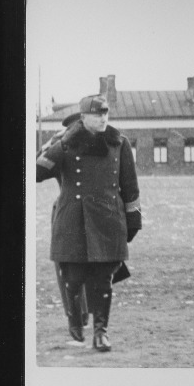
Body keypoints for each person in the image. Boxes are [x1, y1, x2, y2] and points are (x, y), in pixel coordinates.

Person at [35, 95, 142, 352]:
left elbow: (130, 185)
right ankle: (75, 320)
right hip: (73, 217)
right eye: (97, 114)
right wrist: (59, 142)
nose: (103, 118)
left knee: (103, 278)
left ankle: (101, 332)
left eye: (106, 113)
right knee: (74, 277)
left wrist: (133, 220)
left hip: (108, 217)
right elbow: (36, 173)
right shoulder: (66, 144)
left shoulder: (119, 143)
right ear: (83, 118)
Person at [37, 112, 91, 331]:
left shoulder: (98, 149)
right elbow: (36, 171)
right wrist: (53, 143)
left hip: (95, 214)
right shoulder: (62, 151)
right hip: (67, 214)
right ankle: (75, 314)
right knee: (68, 267)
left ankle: (86, 312)